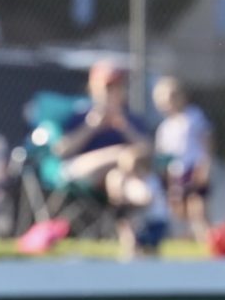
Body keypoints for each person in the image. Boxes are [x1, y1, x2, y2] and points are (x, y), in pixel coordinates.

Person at [59, 61, 164, 257]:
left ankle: (132, 240)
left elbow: (148, 151)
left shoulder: (131, 119)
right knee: (121, 154)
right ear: (94, 88)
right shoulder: (80, 115)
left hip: (116, 178)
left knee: (118, 178)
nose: (112, 92)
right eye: (107, 87)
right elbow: (62, 151)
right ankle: (151, 210)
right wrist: (92, 127)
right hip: (82, 171)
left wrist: (123, 126)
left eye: (117, 86)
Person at [153, 75, 215, 242]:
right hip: (177, 171)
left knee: (197, 205)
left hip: (195, 166)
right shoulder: (165, 127)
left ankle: (208, 237)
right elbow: (163, 153)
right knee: (179, 207)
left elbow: (206, 140)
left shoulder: (194, 116)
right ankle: (191, 233)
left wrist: (205, 165)